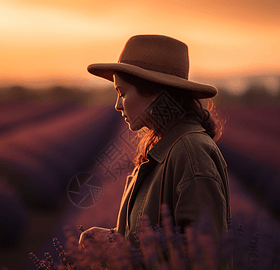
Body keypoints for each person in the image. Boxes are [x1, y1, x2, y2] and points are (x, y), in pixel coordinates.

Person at [79, 34, 230, 248]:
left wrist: (122, 254)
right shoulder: (165, 147)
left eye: (122, 93)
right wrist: (113, 239)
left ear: (154, 93)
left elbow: (204, 260)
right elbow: (151, 239)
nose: (117, 105)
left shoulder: (191, 152)